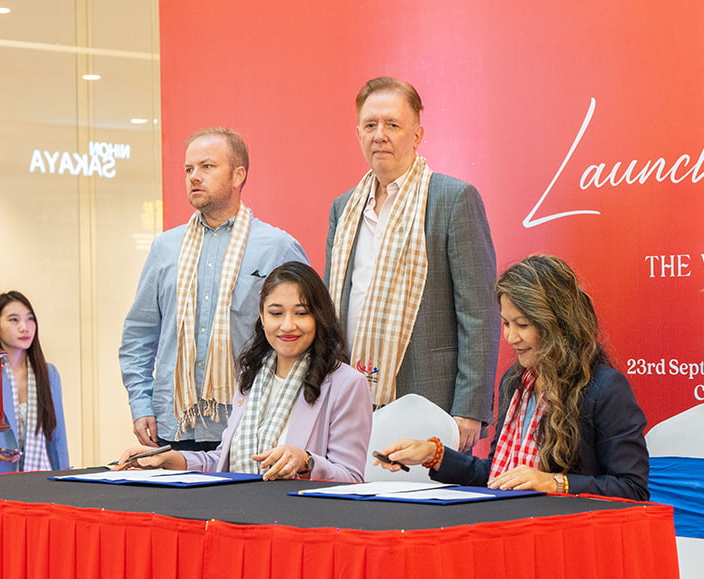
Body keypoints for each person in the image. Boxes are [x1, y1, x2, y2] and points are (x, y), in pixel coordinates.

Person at [377, 255, 649, 500]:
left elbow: (631, 488)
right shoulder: (515, 382)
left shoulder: (605, 388)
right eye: (506, 323)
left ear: (557, 324)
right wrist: (433, 455)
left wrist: (553, 482)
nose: (510, 337)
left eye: (523, 325)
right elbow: (498, 475)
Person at [325, 77, 498, 452]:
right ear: (358, 134)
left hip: (429, 397)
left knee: (424, 509)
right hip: (351, 398)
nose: (380, 135)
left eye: (392, 124)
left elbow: (479, 314)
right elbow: (333, 309)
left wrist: (469, 409)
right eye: (370, 125)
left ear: (417, 135)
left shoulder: (453, 200)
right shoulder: (344, 209)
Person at [120, 128, 308, 451]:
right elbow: (139, 333)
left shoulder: (278, 247)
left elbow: (308, 334)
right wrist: (141, 404)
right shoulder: (165, 248)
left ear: (238, 175)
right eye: (188, 169)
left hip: (254, 423)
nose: (194, 177)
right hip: (174, 425)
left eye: (207, 167)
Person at [114, 262, 372, 483]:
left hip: (300, 525)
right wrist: (170, 459)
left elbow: (351, 478)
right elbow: (225, 462)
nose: (287, 325)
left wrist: (306, 462)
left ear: (320, 317)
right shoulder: (252, 376)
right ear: (262, 316)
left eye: (301, 313)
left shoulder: (347, 384)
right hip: (239, 515)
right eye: (276, 313)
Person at [0, 291, 69, 473]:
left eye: (30, 319)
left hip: (39, 476)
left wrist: (66, 478)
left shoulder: (48, 373)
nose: (24, 327)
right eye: (13, 320)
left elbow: (57, 437)